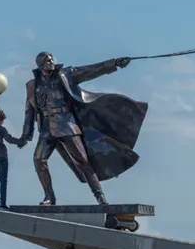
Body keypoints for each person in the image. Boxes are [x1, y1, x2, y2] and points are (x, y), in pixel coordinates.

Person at [21, 51, 148, 206]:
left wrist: (113, 63)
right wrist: (26, 135)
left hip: (66, 124)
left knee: (83, 162)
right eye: (47, 60)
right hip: (46, 128)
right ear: (40, 64)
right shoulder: (32, 85)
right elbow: (29, 110)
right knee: (39, 160)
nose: (51, 61)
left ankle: (100, 197)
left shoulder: (65, 75)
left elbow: (90, 71)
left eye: (52, 58)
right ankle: (49, 196)